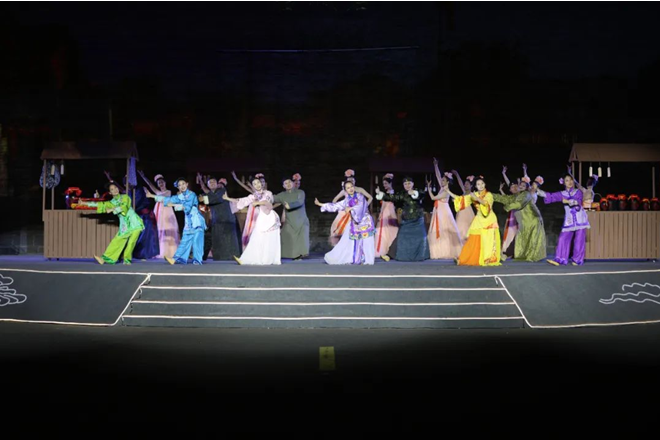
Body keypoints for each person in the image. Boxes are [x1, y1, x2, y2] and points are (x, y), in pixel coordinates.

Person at [78, 181, 144, 265]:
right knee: (116, 241)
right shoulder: (111, 203)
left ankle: (127, 260)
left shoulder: (125, 197)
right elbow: (99, 205)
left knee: (131, 242)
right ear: (110, 192)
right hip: (125, 225)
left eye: (115, 188)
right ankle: (104, 259)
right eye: (112, 189)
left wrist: (113, 209)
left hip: (135, 222)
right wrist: (84, 203)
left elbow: (124, 206)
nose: (115, 190)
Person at [145, 177, 207, 265]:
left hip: (196, 221)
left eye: (183, 184)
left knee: (197, 241)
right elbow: (167, 199)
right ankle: (177, 259)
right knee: (184, 241)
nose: (182, 186)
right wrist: (152, 196)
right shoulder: (180, 196)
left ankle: (197, 260)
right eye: (179, 185)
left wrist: (174, 205)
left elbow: (187, 207)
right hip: (188, 221)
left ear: (187, 184)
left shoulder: (191, 195)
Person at [223, 176, 281, 265]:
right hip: (261, 218)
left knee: (270, 239)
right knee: (256, 238)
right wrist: (228, 198)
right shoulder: (252, 196)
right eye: (254, 184)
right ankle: (245, 259)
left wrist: (257, 202)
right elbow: (241, 201)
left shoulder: (268, 193)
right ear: (252, 186)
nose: (257, 185)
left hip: (270, 218)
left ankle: (268, 259)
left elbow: (268, 203)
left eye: (258, 183)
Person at [315, 181, 375, 265]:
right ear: (345, 190)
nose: (350, 189)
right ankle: (356, 258)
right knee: (353, 241)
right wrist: (321, 204)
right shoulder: (346, 200)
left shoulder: (360, 196)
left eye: (351, 187)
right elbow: (335, 206)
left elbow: (361, 206)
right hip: (355, 223)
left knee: (367, 241)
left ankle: (368, 260)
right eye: (348, 188)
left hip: (365, 221)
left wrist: (351, 208)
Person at [446, 176, 501, 266]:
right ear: (475, 186)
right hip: (479, 220)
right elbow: (461, 199)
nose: (481, 186)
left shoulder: (489, 194)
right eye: (478, 184)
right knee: (471, 240)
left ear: (485, 184)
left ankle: (487, 259)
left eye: (482, 183)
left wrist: (476, 197)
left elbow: (486, 203)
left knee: (488, 242)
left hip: (489, 220)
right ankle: (462, 259)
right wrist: (448, 191)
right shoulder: (473, 194)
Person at [537, 173, 590, 266]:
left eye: (571, 180)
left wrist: (568, 201)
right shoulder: (562, 194)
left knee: (579, 240)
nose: (569, 182)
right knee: (562, 238)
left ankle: (577, 260)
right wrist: (538, 191)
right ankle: (560, 259)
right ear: (564, 183)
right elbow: (550, 196)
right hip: (569, 220)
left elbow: (578, 201)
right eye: (567, 180)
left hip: (580, 219)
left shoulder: (578, 192)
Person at [375, 176, 430, 261]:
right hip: (406, 220)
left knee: (420, 238)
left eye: (409, 183)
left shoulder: (418, 191)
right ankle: (390, 255)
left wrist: (414, 193)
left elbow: (422, 194)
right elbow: (392, 197)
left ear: (413, 184)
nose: (407, 185)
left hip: (418, 220)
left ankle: (421, 255)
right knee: (400, 237)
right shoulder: (402, 194)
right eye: (405, 184)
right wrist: (380, 194)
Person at [492, 180, 546, 262]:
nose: (520, 186)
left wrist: (507, 207)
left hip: (533, 220)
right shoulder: (516, 196)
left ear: (526, 188)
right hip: (524, 222)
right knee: (521, 238)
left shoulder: (526, 194)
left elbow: (519, 204)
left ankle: (530, 256)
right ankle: (513, 254)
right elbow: (504, 198)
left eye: (523, 186)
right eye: (520, 185)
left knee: (532, 239)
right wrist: (490, 195)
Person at [197, 174, 242, 260]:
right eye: (210, 182)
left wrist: (204, 199)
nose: (212, 183)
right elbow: (204, 205)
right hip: (216, 220)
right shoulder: (209, 194)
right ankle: (219, 257)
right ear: (208, 185)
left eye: (214, 182)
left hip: (227, 219)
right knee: (217, 239)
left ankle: (233, 257)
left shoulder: (222, 190)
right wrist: (201, 200)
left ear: (217, 183)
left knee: (229, 240)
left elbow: (215, 199)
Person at [138, 172, 180, 259]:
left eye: (162, 182)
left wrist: (151, 195)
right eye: (159, 183)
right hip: (159, 211)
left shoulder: (168, 192)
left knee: (167, 229)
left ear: (165, 182)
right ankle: (159, 250)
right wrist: (143, 176)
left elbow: (163, 198)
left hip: (167, 212)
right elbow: (150, 185)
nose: (161, 184)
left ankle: (170, 251)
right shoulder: (157, 192)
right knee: (159, 229)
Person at [428, 159, 463, 259]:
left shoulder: (446, 191)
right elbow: (438, 176)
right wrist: (436, 165)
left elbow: (433, 198)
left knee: (444, 230)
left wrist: (429, 188)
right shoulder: (442, 188)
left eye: (443, 180)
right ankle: (437, 250)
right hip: (438, 210)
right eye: (442, 180)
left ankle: (446, 250)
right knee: (438, 229)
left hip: (443, 211)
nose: (441, 181)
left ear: (447, 181)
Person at [329, 169, 373, 246]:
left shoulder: (359, 189)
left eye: (352, 180)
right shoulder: (344, 191)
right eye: (349, 181)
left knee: (359, 231)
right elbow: (335, 200)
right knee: (344, 230)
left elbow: (370, 197)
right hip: (347, 213)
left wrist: (364, 206)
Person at [273, 177, 309, 259]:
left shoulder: (300, 192)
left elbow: (300, 202)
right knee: (286, 236)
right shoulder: (282, 195)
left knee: (301, 238)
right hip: (290, 220)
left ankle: (300, 254)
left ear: (293, 183)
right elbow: (273, 198)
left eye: (289, 182)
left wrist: (290, 205)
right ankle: (290, 254)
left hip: (301, 220)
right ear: (283, 186)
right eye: (286, 183)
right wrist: (263, 194)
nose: (288, 184)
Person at [374, 173, 399, 259]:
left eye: (386, 183)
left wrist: (381, 213)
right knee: (390, 230)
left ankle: (384, 249)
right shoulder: (392, 192)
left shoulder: (389, 193)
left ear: (390, 183)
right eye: (384, 184)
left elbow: (384, 204)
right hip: (391, 211)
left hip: (387, 211)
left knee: (384, 229)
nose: (384, 185)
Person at [451, 170, 476, 241]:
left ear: (471, 186)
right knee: (459, 227)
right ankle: (460, 243)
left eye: (467, 184)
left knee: (466, 228)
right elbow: (460, 183)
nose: (465, 185)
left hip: (467, 212)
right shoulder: (464, 192)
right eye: (465, 184)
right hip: (461, 212)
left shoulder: (471, 194)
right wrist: (457, 174)